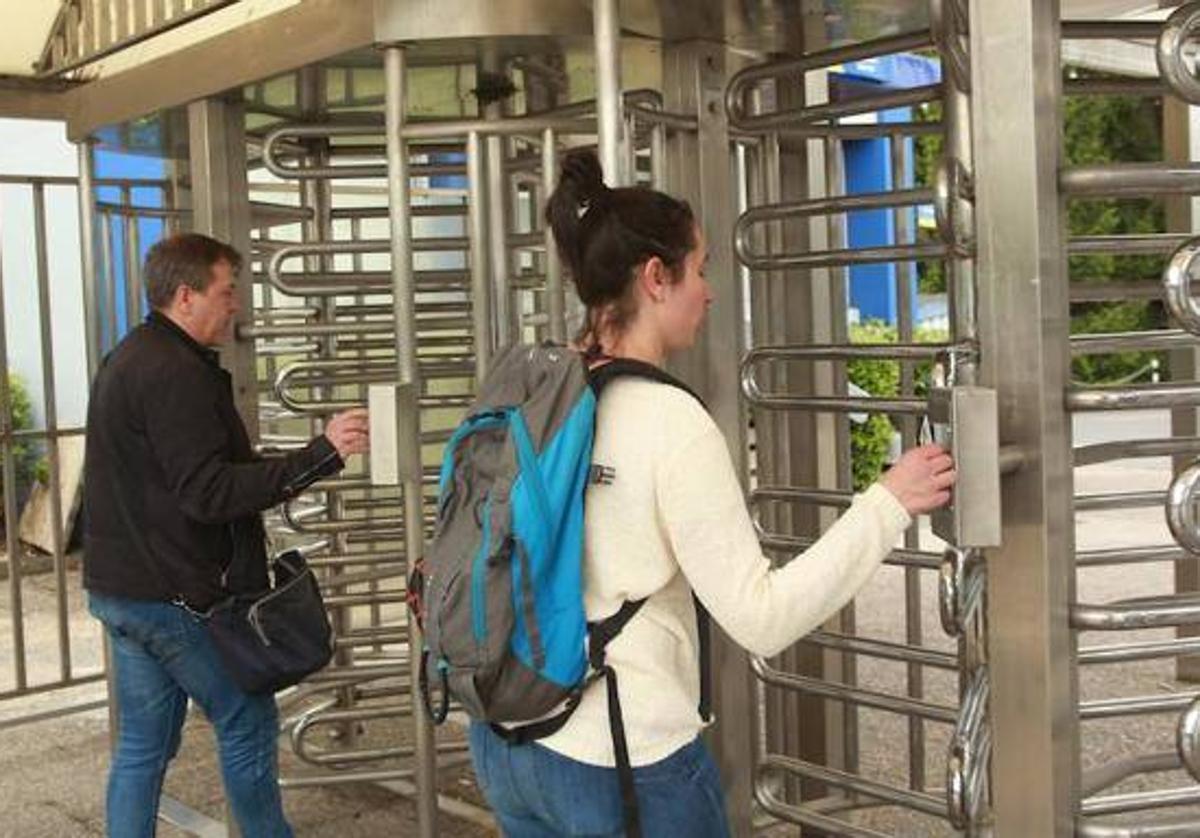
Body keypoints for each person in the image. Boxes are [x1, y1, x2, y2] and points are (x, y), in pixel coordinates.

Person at [466, 150, 957, 838]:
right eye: (700, 268)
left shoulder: (539, 388)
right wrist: (887, 504)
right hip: (622, 760)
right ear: (655, 278)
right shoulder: (669, 420)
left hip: (508, 742)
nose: (710, 291)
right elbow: (761, 618)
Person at [82, 233, 369, 838]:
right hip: (172, 598)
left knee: (142, 747)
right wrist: (319, 455)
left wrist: (309, 455)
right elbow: (208, 493)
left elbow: (192, 473)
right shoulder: (174, 373)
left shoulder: (130, 356)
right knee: (245, 719)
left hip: (124, 590)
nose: (235, 304)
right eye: (226, 290)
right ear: (186, 296)